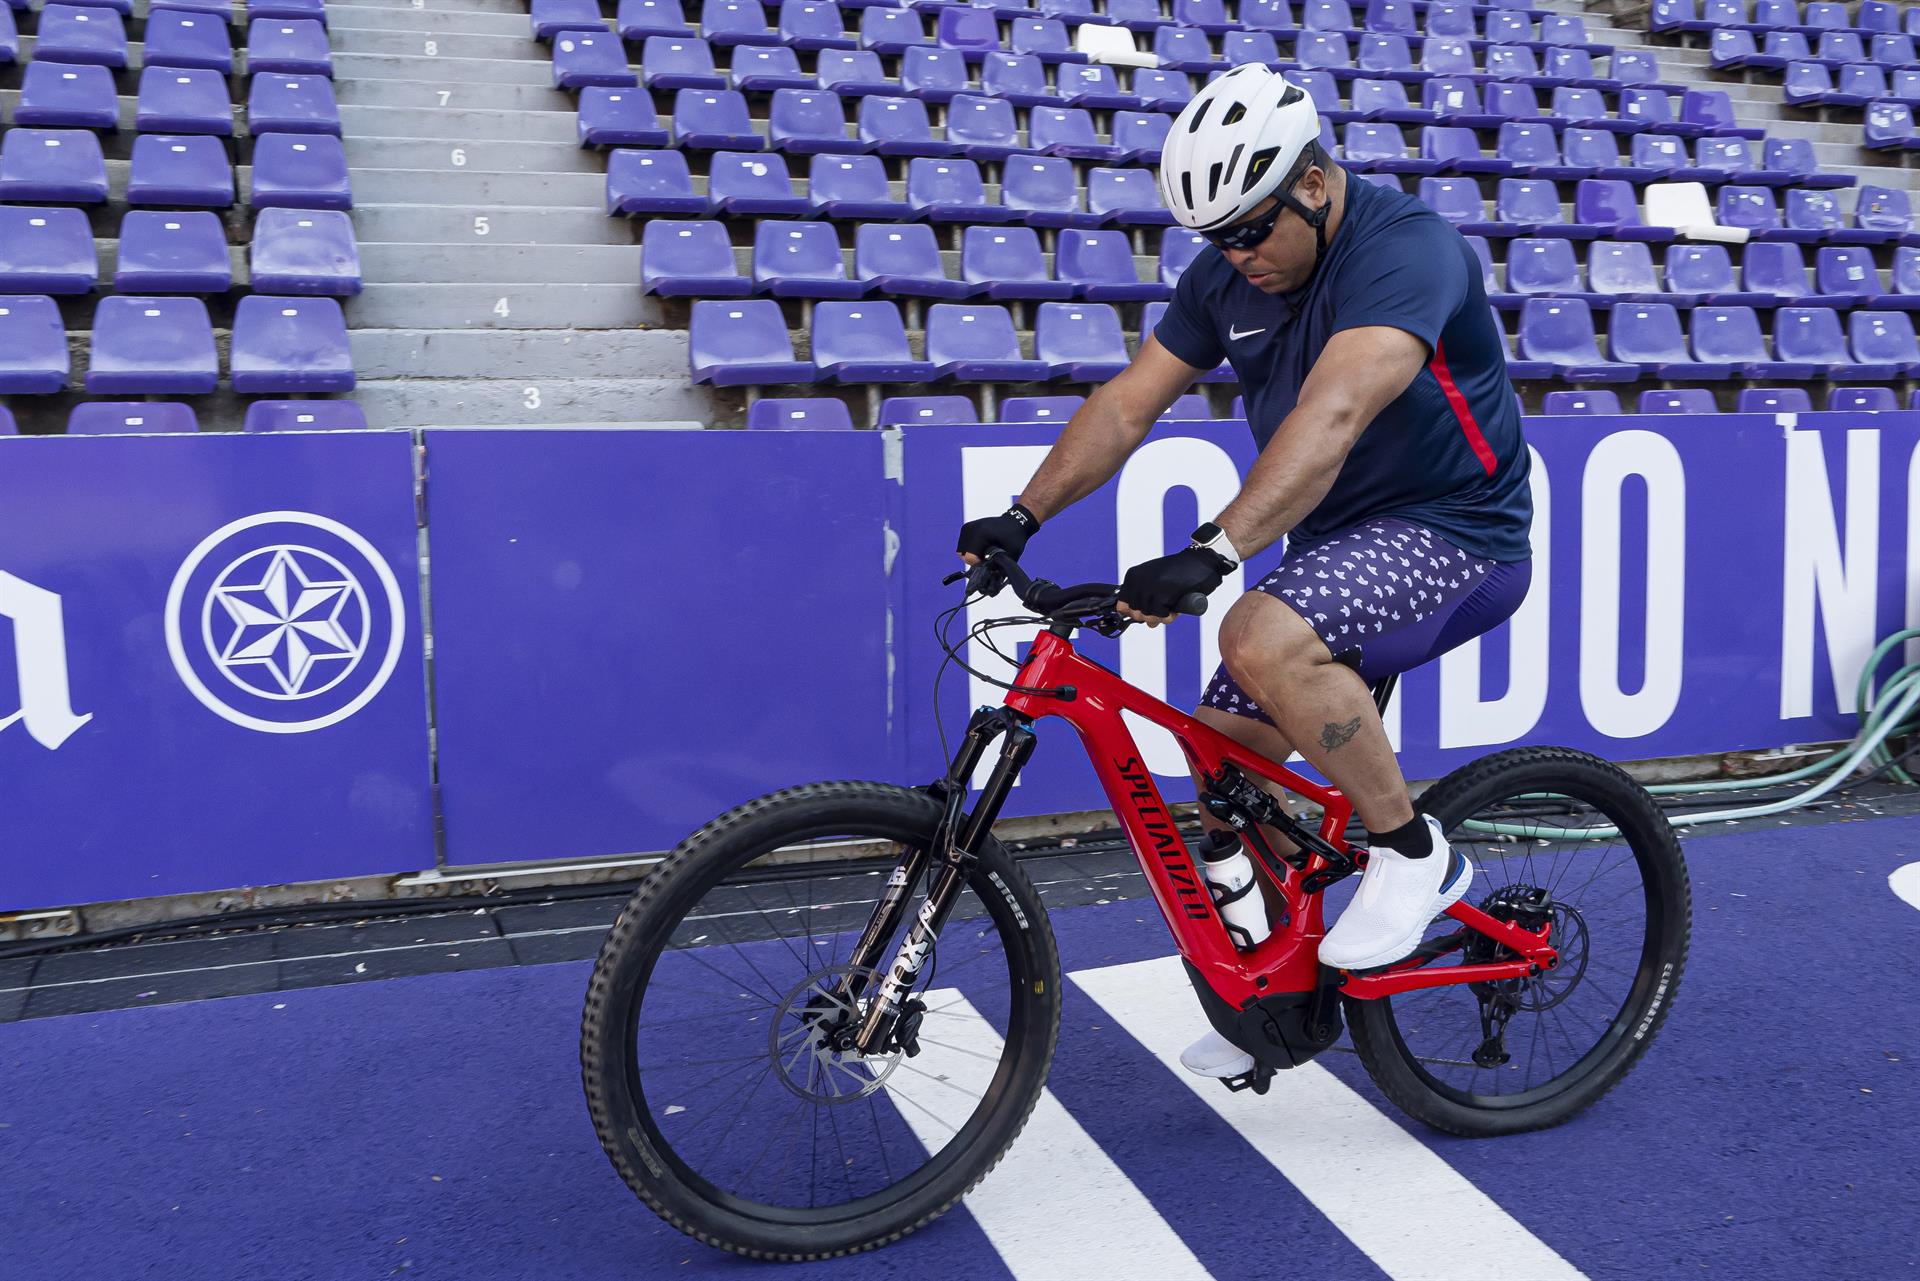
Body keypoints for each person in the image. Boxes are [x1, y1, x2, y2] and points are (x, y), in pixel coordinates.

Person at [955, 64, 1536, 1081]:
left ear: (1313, 183)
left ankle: (1413, 855)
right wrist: (1021, 515)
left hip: (1455, 532)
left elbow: (1337, 412)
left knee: (1256, 632)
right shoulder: (1228, 276)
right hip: (1337, 547)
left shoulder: (1409, 252)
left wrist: (1214, 549)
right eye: (1215, 238)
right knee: (1219, 758)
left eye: (1251, 229)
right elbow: (1129, 404)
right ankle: (1288, 1003)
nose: (1236, 255)